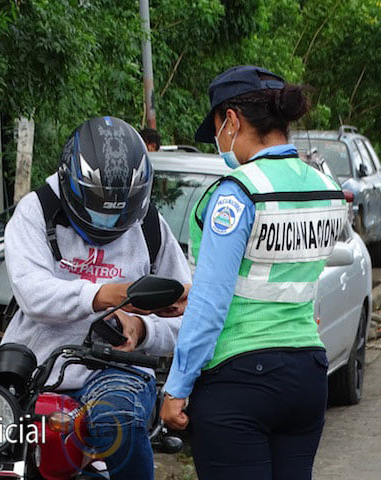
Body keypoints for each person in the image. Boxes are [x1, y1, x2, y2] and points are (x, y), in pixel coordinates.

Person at [0, 116, 191, 480]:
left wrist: (142, 330)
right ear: (70, 183)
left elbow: (185, 316)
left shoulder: (150, 226)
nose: (105, 224)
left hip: (115, 371)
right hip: (31, 368)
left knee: (117, 419)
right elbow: (34, 293)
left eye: (118, 213)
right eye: (96, 209)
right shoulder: (35, 210)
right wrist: (102, 295)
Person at [159, 65, 348, 479]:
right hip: (308, 375)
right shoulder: (324, 188)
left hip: (241, 381)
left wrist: (176, 388)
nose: (220, 146)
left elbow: (211, 301)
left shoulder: (236, 192)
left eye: (216, 133)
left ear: (231, 120)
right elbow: (297, 276)